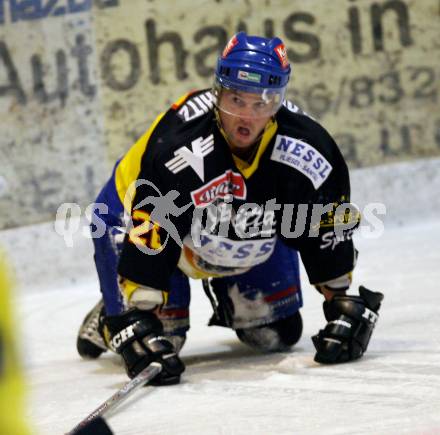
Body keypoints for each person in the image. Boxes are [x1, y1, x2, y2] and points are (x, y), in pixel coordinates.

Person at [77, 32, 383, 385]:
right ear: (218, 92)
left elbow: (323, 222)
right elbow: (152, 227)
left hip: (230, 224)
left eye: (261, 103)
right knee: (161, 340)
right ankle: (108, 316)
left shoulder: (308, 148)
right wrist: (136, 312)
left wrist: (341, 300)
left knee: (276, 334)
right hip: (131, 217)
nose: (246, 118)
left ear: (278, 102)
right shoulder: (182, 148)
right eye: (236, 99)